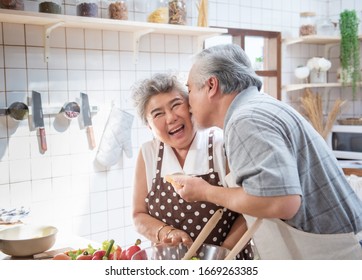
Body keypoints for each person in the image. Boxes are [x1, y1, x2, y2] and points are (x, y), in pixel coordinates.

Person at [173, 44, 362, 243]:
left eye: (190, 89)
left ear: (211, 86)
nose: (187, 101)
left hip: (335, 253)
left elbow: (281, 202)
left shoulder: (245, 120)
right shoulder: (259, 107)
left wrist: (205, 191)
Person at [131, 72, 254, 260]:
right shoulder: (148, 153)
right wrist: (167, 233)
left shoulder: (221, 144)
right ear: (149, 126)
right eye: (158, 114)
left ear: (190, 106)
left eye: (176, 105)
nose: (171, 118)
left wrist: (219, 257)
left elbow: (249, 211)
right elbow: (139, 216)